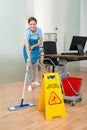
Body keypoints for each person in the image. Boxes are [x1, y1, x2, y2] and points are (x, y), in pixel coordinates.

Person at [23, 17, 43, 91]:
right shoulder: (27, 32)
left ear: (36, 24)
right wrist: (28, 56)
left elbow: (41, 41)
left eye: (34, 24)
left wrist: (34, 46)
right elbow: (27, 44)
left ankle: (34, 80)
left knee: (34, 65)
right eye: (30, 24)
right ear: (28, 24)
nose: (32, 26)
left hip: (35, 49)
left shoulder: (39, 30)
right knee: (29, 65)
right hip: (27, 49)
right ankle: (29, 84)